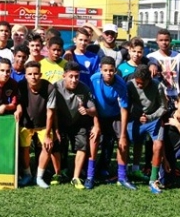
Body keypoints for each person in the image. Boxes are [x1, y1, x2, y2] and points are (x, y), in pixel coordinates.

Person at [88, 56, 135, 190]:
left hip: (115, 116)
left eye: (111, 70)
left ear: (115, 70)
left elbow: (124, 109)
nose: (108, 73)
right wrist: (96, 125)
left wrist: (123, 133)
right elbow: (91, 103)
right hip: (98, 114)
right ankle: (90, 176)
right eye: (106, 70)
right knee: (94, 138)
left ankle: (122, 177)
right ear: (100, 69)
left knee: (123, 142)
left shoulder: (120, 84)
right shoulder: (94, 79)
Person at [51, 62, 99, 190]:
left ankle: (75, 177)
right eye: (71, 76)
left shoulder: (84, 88)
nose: (74, 80)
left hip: (79, 122)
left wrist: (87, 111)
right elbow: (52, 111)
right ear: (64, 76)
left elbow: (94, 110)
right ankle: (58, 173)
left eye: (76, 76)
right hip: (60, 122)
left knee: (82, 145)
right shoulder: (55, 88)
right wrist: (55, 129)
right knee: (56, 143)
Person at [126, 66, 169, 192]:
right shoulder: (130, 85)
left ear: (149, 80)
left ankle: (153, 180)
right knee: (127, 141)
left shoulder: (158, 86)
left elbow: (163, 107)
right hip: (135, 119)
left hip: (153, 120)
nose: (139, 85)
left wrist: (150, 117)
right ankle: (128, 171)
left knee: (158, 145)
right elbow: (126, 103)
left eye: (141, 83)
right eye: (137, 82)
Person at [16, 61, 54, 188]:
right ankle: (27, 174)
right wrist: (19, 108)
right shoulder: (21, 85)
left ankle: (39, 177)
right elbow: (18, 102)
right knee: (24, 148)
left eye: (36, 74)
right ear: (25, 75)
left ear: (41, 74)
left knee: (47, 146)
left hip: (43, 125)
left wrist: (48, 134)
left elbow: (50, 112)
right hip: (26, 124)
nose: (33, 76)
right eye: (30, 74)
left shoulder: (49, 87)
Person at [147, 29, 180, 102]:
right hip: (159, 95)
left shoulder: (178, 56)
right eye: (161, 40)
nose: (164, 42)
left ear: (170, 40)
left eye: (166, 40)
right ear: (157, 41)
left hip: (176, 95)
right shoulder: (150, 56)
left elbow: (179, 77)